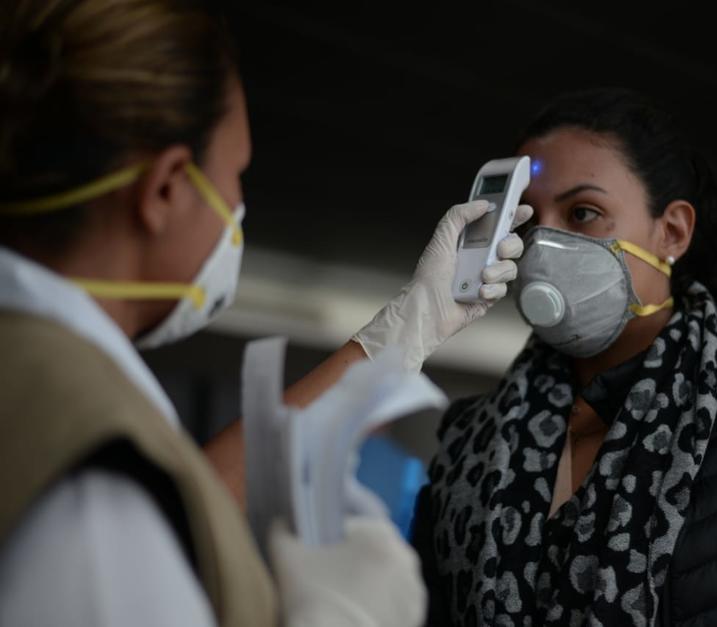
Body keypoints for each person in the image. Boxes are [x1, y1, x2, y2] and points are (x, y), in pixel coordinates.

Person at [0, 1, 530, 625]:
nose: (237, 204)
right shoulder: (91, 483)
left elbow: (187, 490)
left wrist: (407, 329)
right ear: (167, 189)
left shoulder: (38, 375)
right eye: (236, 174)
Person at [411, 88, 717, 626]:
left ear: (671, 232)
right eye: (527, 219)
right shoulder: (469, 438)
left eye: (584, 212)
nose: (540, 245)